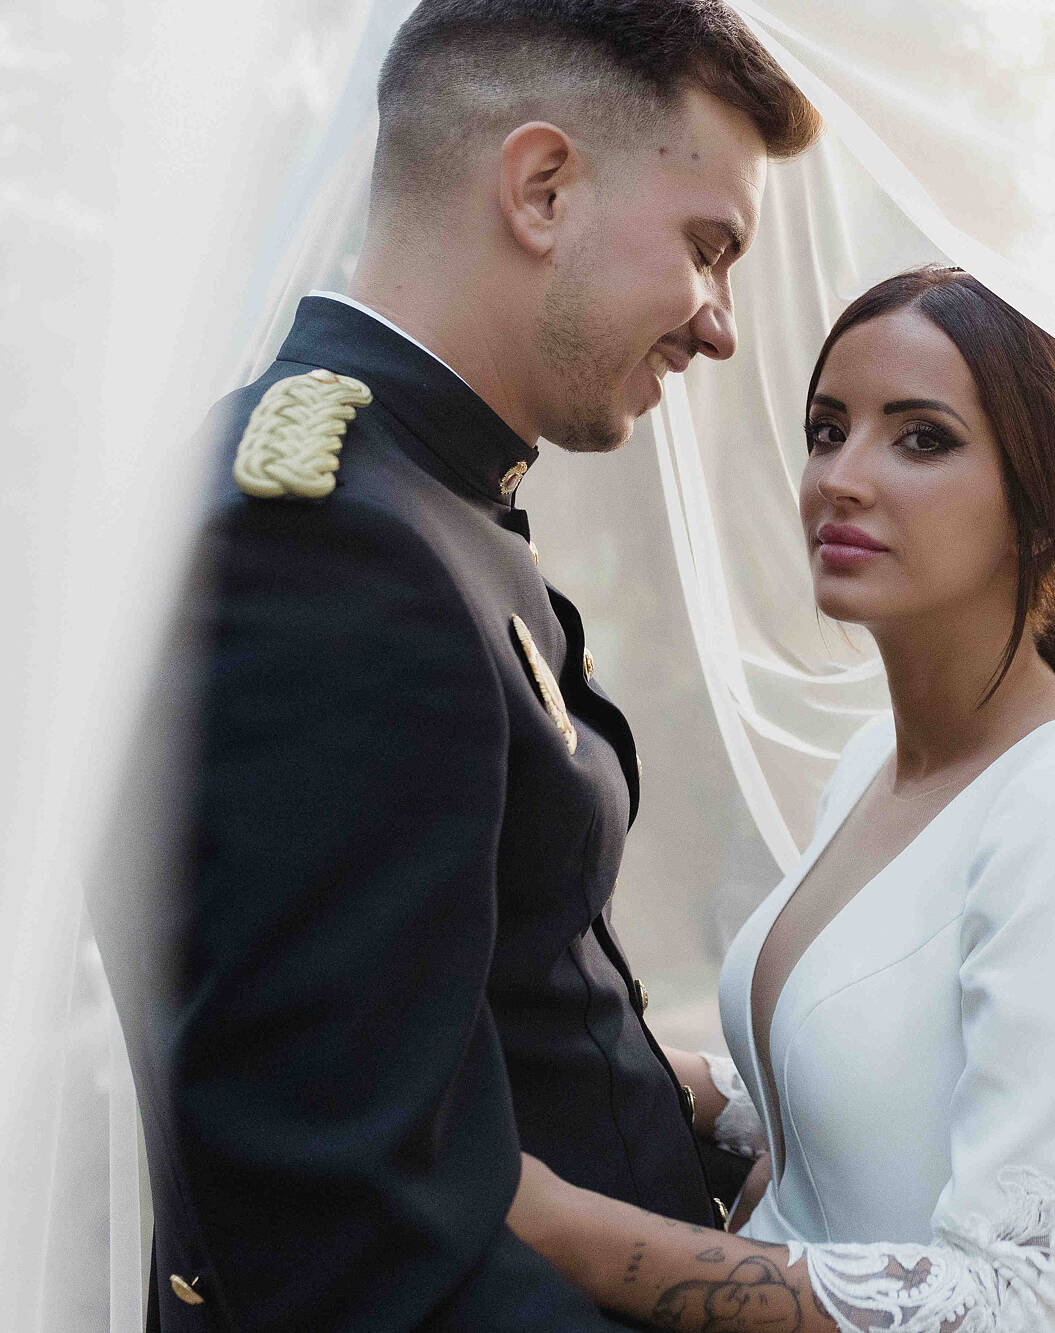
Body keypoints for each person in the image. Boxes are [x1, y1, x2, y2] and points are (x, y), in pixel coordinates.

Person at [90, 3, 818, 1329]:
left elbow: (493, 1014)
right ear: (541, 189)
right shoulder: (324, 546)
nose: (718, 326)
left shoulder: (423, 498)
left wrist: (709, 1120)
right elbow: (348, 1223)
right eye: (708, 250)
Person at [505, 266, 1055, 1332]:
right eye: (827, 429)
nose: (841, 476)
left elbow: (1007, 1300)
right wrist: (550, 1046)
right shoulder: (870, 759)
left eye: (920, 438)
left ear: (1037, 502)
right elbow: (856, 1101)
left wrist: (563, 1228)